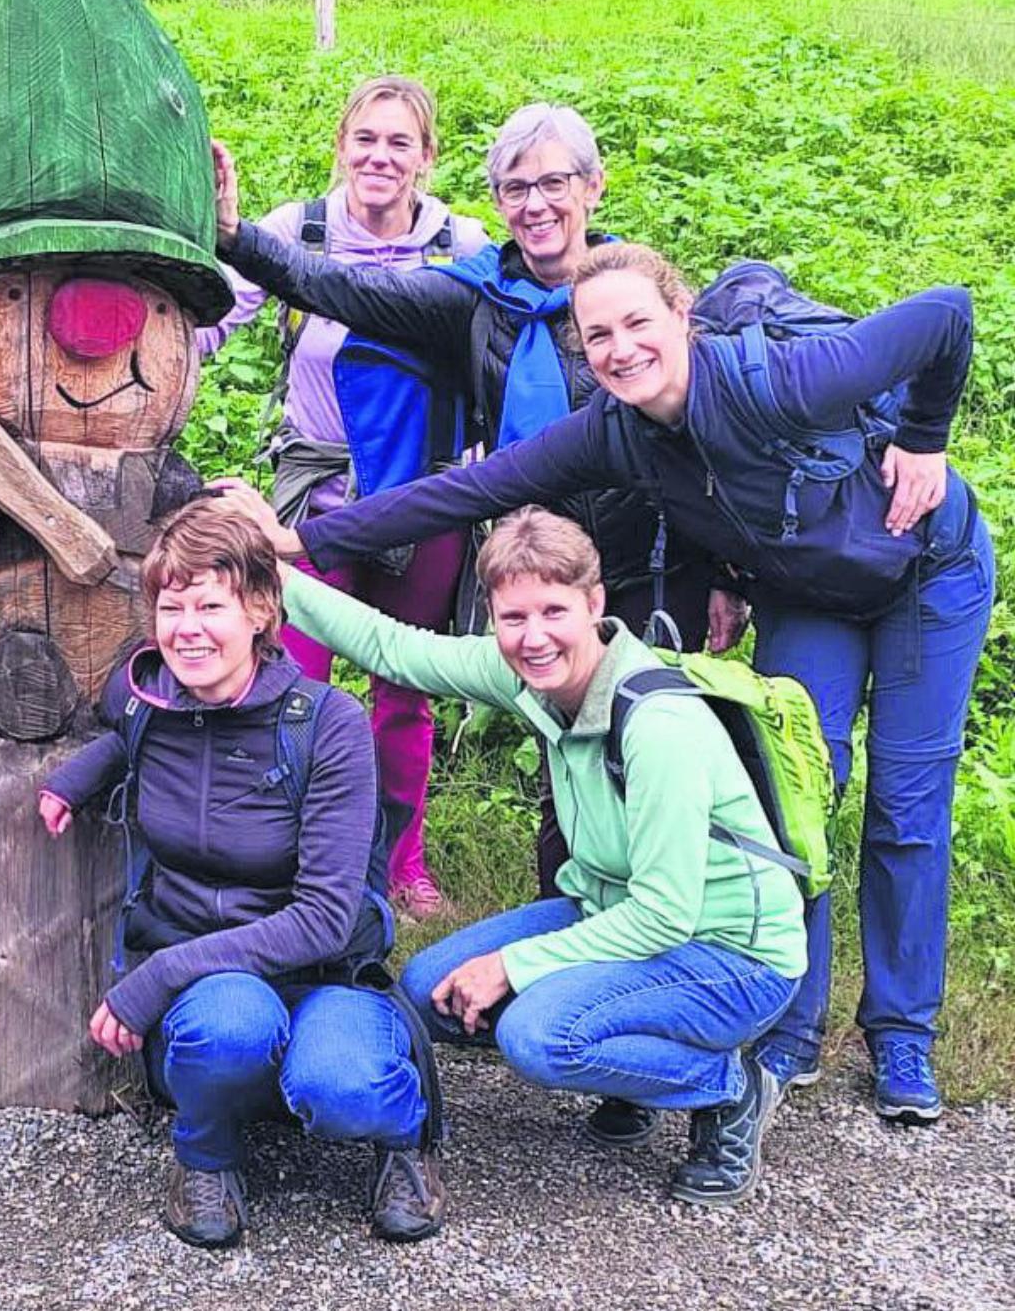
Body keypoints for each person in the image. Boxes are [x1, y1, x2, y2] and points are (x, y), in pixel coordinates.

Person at [217, 242, 993, 1123]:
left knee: (906, 802)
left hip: (925, 568)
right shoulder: (614, 431)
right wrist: (306, 543)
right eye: (599, 337)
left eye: (638, 324)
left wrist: (925, 441)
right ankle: (790, 1035)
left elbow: (947, 313)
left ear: (681, 316)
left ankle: (901, 1035)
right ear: (581, 351)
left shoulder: (785, 381)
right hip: (811, 591)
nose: (621, 349)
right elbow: (473, 491)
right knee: (801, 789)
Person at [211, 112, 745, 900]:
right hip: (544, 560)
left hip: (656, 562)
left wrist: (730, 568)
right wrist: (236, 237)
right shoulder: (477, 303)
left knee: (663, 740)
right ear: (496, 201)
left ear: (592, 188)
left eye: (554, 183)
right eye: (516, 187)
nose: (536, 204)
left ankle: (696, 919)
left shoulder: (635, 296)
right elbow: (344, 288)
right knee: (568, 742)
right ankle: (569, 919)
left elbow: (707, 434)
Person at [261, 506, 804, 1204]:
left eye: (554, 611)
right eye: (513, 617)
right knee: (432, 990)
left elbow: (667, 915)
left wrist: (512, 965)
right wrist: (269, 570)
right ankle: (631, 1083)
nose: (535, 637)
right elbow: (393, 647)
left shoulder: (660, 727)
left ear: (595, 604)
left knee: (539, 1037)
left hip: (732, 959)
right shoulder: (527, 673)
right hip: (614, 916)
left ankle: (729, 1090)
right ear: (492, 616)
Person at [36, 502, 438, 1251]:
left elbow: (324, 916)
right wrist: (73, 779)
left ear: (259, 608)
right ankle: (205, 1156)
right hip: (214, 983)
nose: (188, 627)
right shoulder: (147, 697)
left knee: (342, 1088)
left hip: (322, 968)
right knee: (228, 1030)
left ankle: (406, 1135)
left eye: (211, 605)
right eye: (171, 604)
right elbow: (126, 739)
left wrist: (153, 978)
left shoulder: (327, 723)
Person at [197, 76, 488, 921]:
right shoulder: (298, 233)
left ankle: (403, 862)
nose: (380, 157)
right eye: (365, 139)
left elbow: (493, 351)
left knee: (405, 690)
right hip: (315, 500)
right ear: (342, 145)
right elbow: (218, 319)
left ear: (427, 158)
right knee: (291, 681)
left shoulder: (460, 246)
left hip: (422, 500)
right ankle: (286, 858)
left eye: (400, 143)